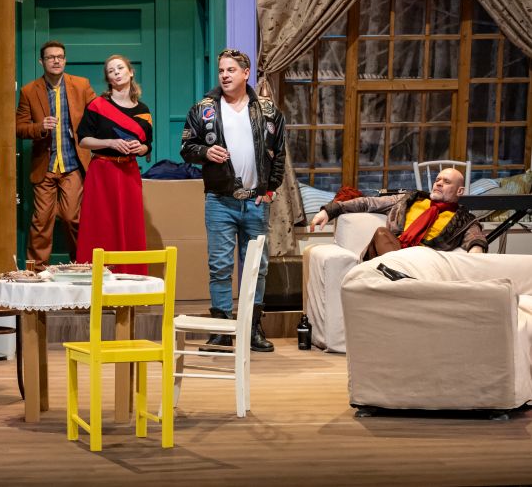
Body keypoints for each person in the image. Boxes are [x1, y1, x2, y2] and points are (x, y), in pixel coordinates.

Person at [181, 48, 286, 353]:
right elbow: (186, 148)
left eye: (231, 70)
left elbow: (279, 153)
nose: (224, 75)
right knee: (220, 267)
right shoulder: (203, 109)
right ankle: (221, 331)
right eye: (221, 71)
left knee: (256, 268)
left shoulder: (268, 110)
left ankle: (251, 329)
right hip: (220, 201)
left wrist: (270, 189)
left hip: (255, 201)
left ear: (245, 73)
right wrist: (205, 152)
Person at [16, 40, 96, 268]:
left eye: (60, 57)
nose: (56, 61)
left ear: (65, 60)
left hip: (73, 165)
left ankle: (81, 265)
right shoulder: (29, 91)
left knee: (72, 218)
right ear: (41, 61)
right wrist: (39, 127)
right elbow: (19, 127)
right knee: (41, 221)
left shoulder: (81, 85)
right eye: (50, 57)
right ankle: (36, 271)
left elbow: (97, 115)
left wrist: (81, 131)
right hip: (45, 166)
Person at [75, 54, 153, 274]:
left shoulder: (143, 110)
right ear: (108, 79)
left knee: (130, 224)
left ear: (130, 72)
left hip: (129, 172)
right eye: (111, 71)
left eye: (120, 68)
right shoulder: (97, 105)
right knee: (100, 224)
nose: (116, 72)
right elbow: (83, 140)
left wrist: (140, 148)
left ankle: (131, 277)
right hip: (102, 172)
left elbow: (148, 145)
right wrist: (110, 142)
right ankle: (96, 278)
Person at [309, 168, 487, 255]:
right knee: (381, 233)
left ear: (460, 191)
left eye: (446, 182)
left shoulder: (464, 219)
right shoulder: (410, 200)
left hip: (425, 260)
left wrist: (475, 254)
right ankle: (397, 274)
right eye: (437, 180)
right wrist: (330, 210)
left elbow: (475, 239)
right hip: (391, 252)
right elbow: (368, 203)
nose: (438, 183)